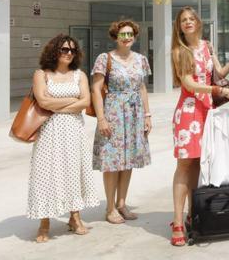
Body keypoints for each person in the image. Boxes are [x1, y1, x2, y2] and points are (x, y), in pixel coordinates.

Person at [169, 6, 229, 246]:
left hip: (207, 111)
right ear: (179, 26)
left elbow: (217, 73)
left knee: (199, 165)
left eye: (191, 19)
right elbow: (189, 83)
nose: (188, 23)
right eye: (183, 20)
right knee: (184, 165)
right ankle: (178, 221)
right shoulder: (180, 50)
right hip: (189, 112)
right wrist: (218, 90)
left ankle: (194, 214)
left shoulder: (206, 46)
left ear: (198, 22)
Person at [27, 34, 98, 243]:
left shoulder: (80, 75)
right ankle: (44, 221)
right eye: (64, 49)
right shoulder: (42, 74)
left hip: (74, 130)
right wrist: (70, 101)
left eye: (72, 50)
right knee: (45, 173)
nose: (69, 53)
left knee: (72, 171)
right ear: (54, 50)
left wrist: (55, 103)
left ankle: (74, 217)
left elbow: (85, 101)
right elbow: (42, 101)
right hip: (49, 130)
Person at [91, 20, 152, 225]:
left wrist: (147, 115)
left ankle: (122, 203)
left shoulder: (141, 59)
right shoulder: (104, 58)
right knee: (112, 161)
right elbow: (96, 89)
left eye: (130, 34)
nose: (127, 38)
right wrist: (101, 118)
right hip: (114, 111)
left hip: (135, 113)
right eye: (122, 34)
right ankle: (109, 207)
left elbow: (142, 87)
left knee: (128, 159)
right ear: (115, 37)